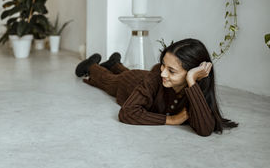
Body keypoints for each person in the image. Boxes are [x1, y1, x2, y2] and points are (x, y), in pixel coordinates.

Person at [75, 38, 238, 136]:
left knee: (131, 74)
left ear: (194, 75)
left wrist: (191, 81)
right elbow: (127, 113)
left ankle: (115, 63)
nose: (163, 74)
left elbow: (205, 130)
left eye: (172, 71)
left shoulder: (193, 86)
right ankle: (91, 66)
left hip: (144, 79)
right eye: (163, 65)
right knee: (110, 81)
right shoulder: (157, 75)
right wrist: (171, 120)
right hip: (131, 83)